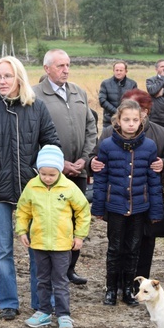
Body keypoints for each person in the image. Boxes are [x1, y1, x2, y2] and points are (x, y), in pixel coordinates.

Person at [0, 56, 60, 321]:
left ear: (19, 77)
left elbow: (52, 145)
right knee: (3, 251)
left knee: (37, 248)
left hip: (32, 193)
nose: (3, 81)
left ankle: (41, 301)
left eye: (8, 76)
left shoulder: (37, 108)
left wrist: (37, 176)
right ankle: (8, 303)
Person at [89, 88, 164, 284]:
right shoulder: (108, 134)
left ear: (144, 113)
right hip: (118, 200)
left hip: (146, 199)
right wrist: (91, 164)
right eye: (124, 112)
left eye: (136, 114)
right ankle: (116, 283)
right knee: (117, 244)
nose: (130, 120)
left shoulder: (161, 134)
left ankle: (138, 284)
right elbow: (94, 159)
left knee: (143, 245)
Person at [91, 99, 164, 306]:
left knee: (133, 249)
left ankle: (129, 290)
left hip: (139, 208)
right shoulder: (106, 145)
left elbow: (153, 182)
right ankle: (111, 289)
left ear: (141, 120)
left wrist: (156, 210)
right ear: (118, 121)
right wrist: (98, 206)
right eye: (126, 119)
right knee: (114, 249)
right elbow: (101, 179)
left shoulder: (149, 146)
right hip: (115, 207)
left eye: (135, 119)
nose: (131, 124)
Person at [34, 49, 97, 287]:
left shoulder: (78, 92)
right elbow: (32, 136)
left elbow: (91, 127)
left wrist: (85, 158)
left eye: (68, 65)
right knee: (51, 221)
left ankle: (69, 268)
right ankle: (50, 272)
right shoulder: (35, 95)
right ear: (47, 68)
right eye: (60, 65)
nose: (66, 70)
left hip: (78, 170)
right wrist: (58, 164)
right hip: (48, 174)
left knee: (74, 219)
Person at [15, 145, 90, 328]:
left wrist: (79, 236)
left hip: (62, 244)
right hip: (39, 243)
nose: (47, 178)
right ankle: (44, 312)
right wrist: (22, 231)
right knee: (42, 279)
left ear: (59, 171)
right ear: (38, 171)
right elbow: (23, 210)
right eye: (43, 174)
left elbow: (82, 210)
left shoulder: (69, 187)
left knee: (61, 280)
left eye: (52, 174)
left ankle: (64, 314)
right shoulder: (32, 186)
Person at [98, 61, 138, 129]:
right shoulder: (105, 83)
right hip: (109, 121)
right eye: (116, 70)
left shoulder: (132, 84)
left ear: (126, 71)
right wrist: (116, 112)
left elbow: (135, 101)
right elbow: (102, 100)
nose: (118, 72)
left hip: (127, 121)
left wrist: (125, 113)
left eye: (121, 70)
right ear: (113, 71)